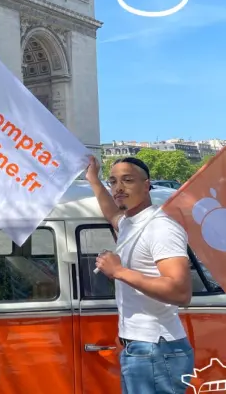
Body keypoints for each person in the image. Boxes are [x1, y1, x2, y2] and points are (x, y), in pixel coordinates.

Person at [86, 155, 194, 394]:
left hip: (157, 348)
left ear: (147, 185)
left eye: (127, 180)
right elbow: (113, 214)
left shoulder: (161, 228)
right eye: (113, 182)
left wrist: (119, 271)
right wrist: (94, 180)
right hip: (142, 348)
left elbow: (181, 292)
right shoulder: (130, 222)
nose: (118, 188)